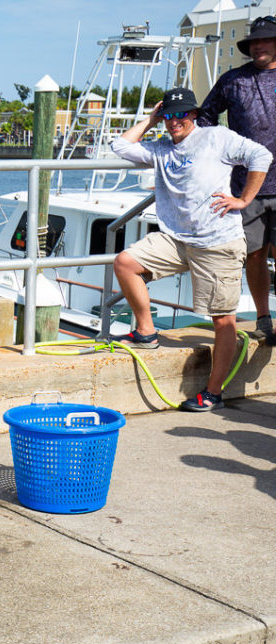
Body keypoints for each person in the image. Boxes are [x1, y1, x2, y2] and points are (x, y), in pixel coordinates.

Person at [111, 87, 271, 411]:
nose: (174, 122)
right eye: (169, 116)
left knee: (223, 320)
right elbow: (119, 146)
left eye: (181, 114)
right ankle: (146, 332)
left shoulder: (216, 137)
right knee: (125, 263)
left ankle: (213, 394)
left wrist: (244, 200)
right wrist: (151, 118)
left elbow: (262, 157)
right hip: (176, 239)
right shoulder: (161, 149)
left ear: (194, 115)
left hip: (217, 242)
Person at [198, 15, 276, 341]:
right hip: (246, 186)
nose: (258, 46)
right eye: (253, 42)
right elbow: (204, 116)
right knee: (254, 254)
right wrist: (218, 151)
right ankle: (263, 319)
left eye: (265, 40)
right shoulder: (232, 80)